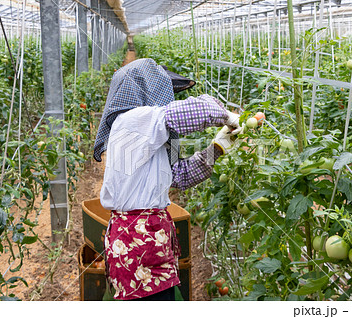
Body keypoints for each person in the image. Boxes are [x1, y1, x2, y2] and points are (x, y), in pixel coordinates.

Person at [93, 58, 242, 301]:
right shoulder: (133, 121)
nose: (169, 99)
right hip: (139, 242)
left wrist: (218, 147)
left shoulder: (146, 135)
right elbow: (200, 111)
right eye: (164, 91)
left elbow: (179, 176)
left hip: (146, 239)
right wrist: (227, 115)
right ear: (145, 91)